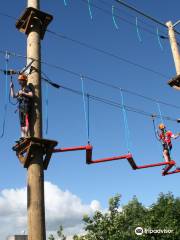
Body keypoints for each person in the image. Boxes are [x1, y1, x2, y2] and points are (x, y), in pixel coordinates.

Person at [10, 74, 33, 140]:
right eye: (19, 81)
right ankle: (23, 136)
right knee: (22, 122)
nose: (20, 82)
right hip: (21, 107)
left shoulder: (27, 88)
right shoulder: (21, 89)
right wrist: (12, 88)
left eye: (21, 81)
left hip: (26, 106)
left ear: (24, 81)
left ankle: (26, 135)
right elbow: (13, 96)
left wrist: (23, 93)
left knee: (26, 121)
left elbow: (31, 95)